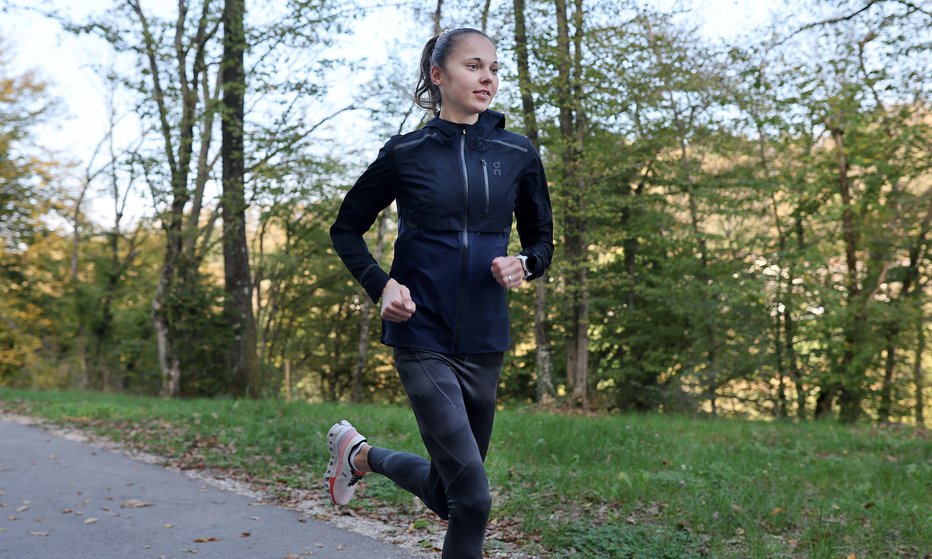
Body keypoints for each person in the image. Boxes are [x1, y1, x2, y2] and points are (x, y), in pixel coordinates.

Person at [325, 27, 553, 559]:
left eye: (493, 68)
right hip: (420, 332)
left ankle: (360, 456)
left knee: (452, 497)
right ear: (438, 75)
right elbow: (346, 229)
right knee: (473, 499)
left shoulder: (517, 153)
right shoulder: (406, 153)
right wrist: (382, 286)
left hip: (485, 339)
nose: (488, 77)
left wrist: (525, 263)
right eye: (474, 66)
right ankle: (361, 456)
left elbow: (542, 241)